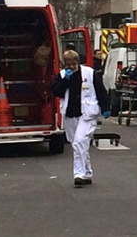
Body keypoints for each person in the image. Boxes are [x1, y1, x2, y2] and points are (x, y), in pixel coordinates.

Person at [51, 50, 110, 188]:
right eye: (68, 64)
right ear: (64, 64)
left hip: (87, 114)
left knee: (79, 142)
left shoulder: (89, 73)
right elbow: (57, 92)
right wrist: (66, 80)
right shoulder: (62, 75)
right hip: (70, 115)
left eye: (74, 63)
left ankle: (79, 174)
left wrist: (105, 106)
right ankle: (88, 173)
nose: (72, 67)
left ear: (78, 62)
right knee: (78, 145)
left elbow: (101, 90)